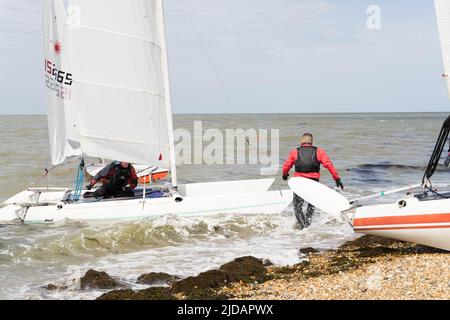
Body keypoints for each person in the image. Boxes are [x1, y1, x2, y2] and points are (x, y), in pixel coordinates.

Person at [282, 133, 343, 229]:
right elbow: (329, 165)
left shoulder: (295, 152)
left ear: (301, 141)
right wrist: (337, 179)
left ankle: (303, 227)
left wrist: (285, 174)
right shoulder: (319, 151)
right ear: (311, 142)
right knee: (312, 204)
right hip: (313, 182)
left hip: (299, 182)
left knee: (297, 206)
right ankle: (308, 223)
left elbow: (286, 166)